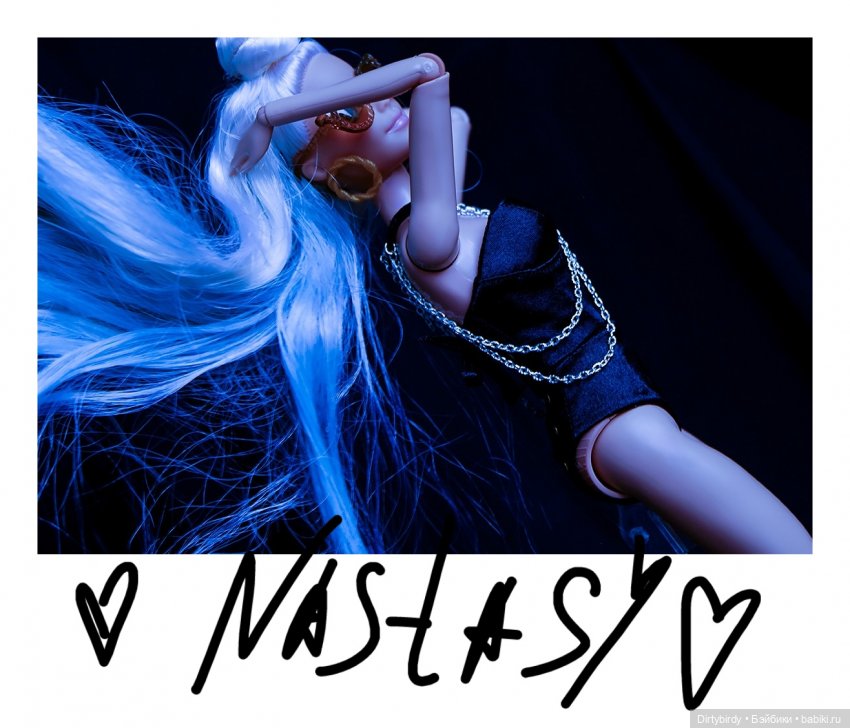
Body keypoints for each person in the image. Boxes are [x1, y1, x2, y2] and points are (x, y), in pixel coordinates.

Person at [38, 38, 812, 554]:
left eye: (364, 75)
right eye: (349, 109)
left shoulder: (438, 205)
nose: (379, 102)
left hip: (626, 404)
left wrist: (311, 97)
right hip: (614, 427)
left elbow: (452, 109)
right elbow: (431, 74)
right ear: (320, 168)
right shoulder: (425, 239)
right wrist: (276, 111)